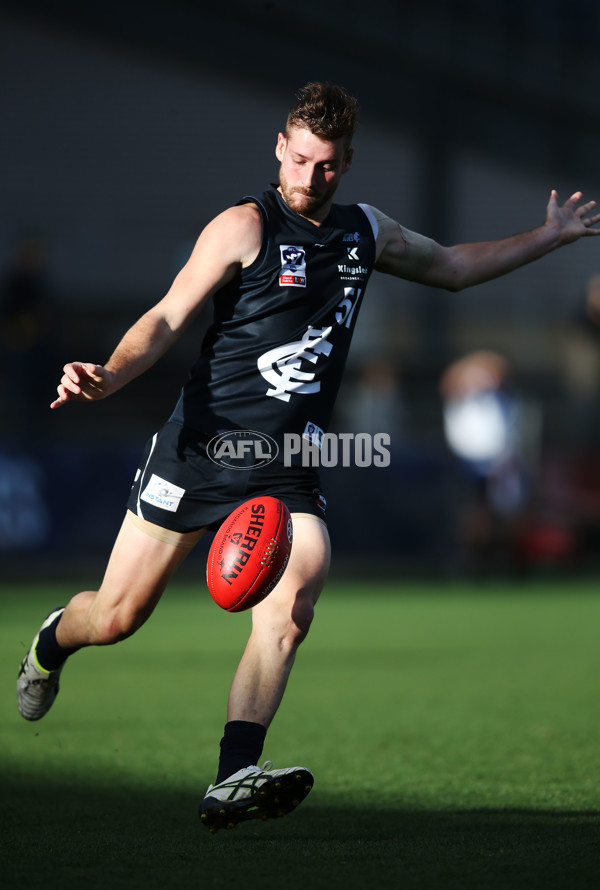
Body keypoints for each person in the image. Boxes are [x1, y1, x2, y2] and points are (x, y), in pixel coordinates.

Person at [17, 82, 600, 832]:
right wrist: (108, 373)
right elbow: (166, 316)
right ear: (280, 149)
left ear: (347, 161)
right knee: (118, 617)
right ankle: (52, 638)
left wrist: (546, 236)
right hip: (200, 448)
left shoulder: (365, 232)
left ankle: (234, 775)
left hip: (287, 459)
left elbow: (453, 266)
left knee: (291, 605)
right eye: (299, 160)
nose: (309, 177)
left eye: (326, 165)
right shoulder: (241, 227)